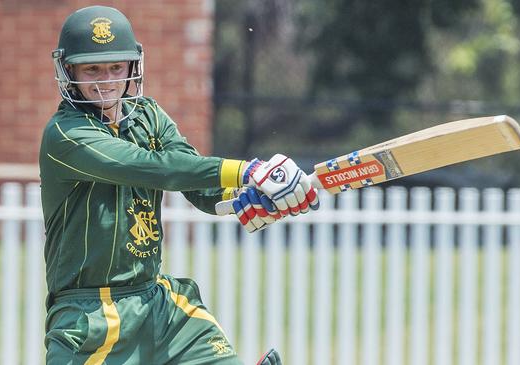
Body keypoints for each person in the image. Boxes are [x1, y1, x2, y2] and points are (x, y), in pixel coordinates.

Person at [39, 5, 319, 365]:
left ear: (132, 67)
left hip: (160, 305)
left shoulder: (149, 116)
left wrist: (252, 197)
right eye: (92, 69)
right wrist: (249, 170)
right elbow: (153, 168)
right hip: (88, 316)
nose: (105, 80)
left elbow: (198, 185)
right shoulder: (64, 133)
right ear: (69, 70)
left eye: (115, 67)